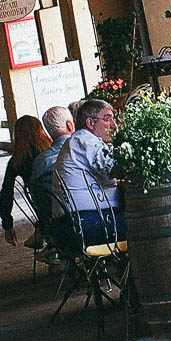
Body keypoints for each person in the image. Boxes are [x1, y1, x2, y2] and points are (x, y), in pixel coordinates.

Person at [54, 98, 123, 249]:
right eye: (107, 119)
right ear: (90, 123)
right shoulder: (85, 140)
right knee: (145, 222)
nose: (114, 125)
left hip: (72, 223)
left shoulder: (77, 141)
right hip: (87, 223)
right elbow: (113, 168)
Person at [0, 114, 55, 247]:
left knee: (44, 204)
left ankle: (42, 233)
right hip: (62, 200)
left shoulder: (17, 161)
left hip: (42, 207)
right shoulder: (52, 151)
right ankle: (44, 236)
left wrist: (7, 225)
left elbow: (6, 192)